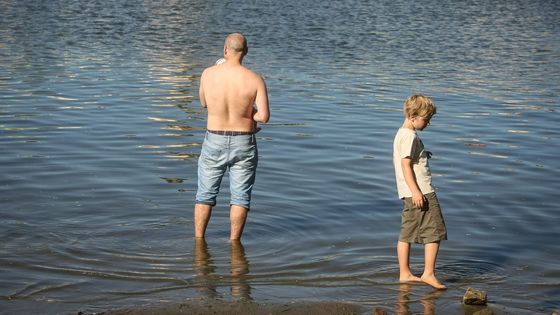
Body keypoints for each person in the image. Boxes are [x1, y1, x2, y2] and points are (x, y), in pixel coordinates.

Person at [194, 32, 269, 240]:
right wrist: (247, 112)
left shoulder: (208, 74)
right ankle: (234, 244)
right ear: (245, 52)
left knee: (205, 194)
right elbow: (263, 116)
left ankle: (199, 242)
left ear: (225, 50)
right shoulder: (255, 79)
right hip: (244, 141)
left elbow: (204, 103)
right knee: (240, 198)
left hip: (214, 138)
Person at [392, 94, 447, 289]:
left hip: (406, 192)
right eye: (427, 119)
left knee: (406, 233)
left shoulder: (402, 134)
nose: (428, 123)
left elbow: (408, 159)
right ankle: (428, 273)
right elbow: (406, 165)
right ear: (413, 116)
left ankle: (404, 273)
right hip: (421, 191)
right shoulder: (410, 136)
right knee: (435, 232)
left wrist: (423, 155)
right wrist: (417, 192)